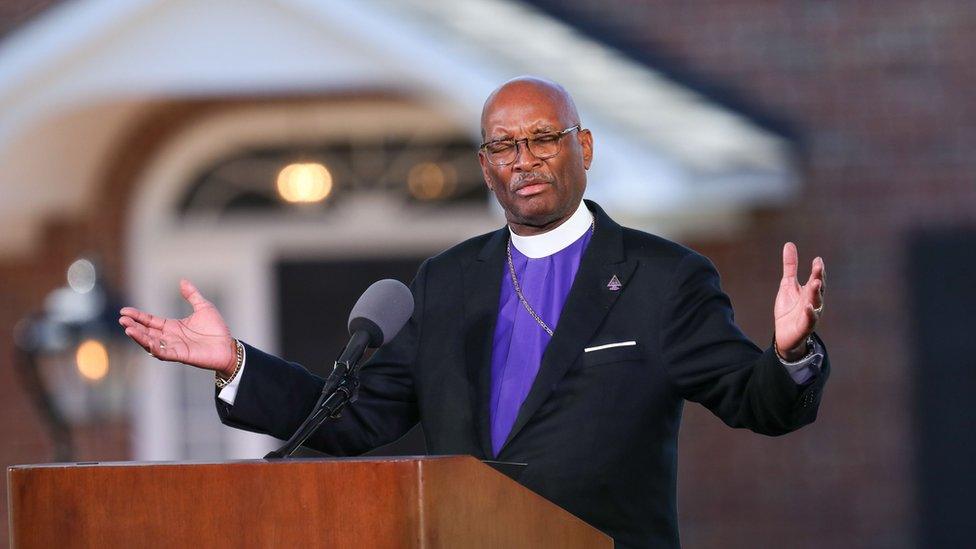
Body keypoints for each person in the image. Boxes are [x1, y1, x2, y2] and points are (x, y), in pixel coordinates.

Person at [119, 76, 829, 548]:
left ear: (582, 147)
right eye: (502, 145)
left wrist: (791, 352)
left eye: (543, 138)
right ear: (486, 165)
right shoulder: (449, 280)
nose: (523, 159)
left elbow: (757, 402)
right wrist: (236, 364)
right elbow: (353, 415)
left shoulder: (661, 276)